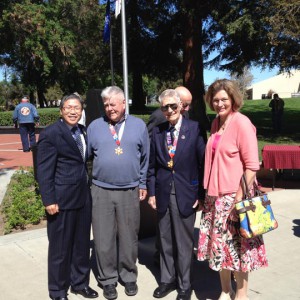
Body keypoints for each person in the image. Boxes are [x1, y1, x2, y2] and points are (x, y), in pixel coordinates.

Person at [197, 79, 268, 300]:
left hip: (233, 197)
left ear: (233, 99)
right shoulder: (217, 123)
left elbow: (252, 167)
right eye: (215, 100)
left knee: (238, 248)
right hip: (214, 197)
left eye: (224, 99)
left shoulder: (242, 123)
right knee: (219, 248)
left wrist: (238, 200)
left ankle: (241, 294)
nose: (219, 104)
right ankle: (225, 289)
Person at [87, 86, 150, 300]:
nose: (109, 108)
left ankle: (129, 276)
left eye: (113, 103)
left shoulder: (139, 126)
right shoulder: (95, 126)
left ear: (124, 103)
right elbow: (86, 157)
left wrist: (142, 183)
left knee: (129, 236)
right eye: (106, 104)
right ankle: (108, 280)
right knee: (103, 239)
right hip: (101, 190)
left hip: (129, 190)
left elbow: (145, 159)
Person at [36, 94, 98, 300]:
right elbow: (44, 171)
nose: (73, 111)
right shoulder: (50, 134)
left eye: (77, 108)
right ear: (61, 110)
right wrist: (49, 200)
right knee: (60, 249)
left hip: (82, 198)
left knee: (81, 245)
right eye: (69, 107)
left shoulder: (82, 131)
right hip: (61, 201)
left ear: (82, 111)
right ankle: (58, 290)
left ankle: (80, 283)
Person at [147, 89, 206, 300]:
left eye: (173, 106)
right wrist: (152, 192)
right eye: (165, 107)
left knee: (183, 242)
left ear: (181, 106)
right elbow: (152, 166)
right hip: (163, 193)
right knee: (165, 240)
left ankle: (184, 284)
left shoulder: (194, 128)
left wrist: (201, 194)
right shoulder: (158, 131)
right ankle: (167, 280)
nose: (169, 110)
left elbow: (202, 164)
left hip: (186, 194)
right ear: (161, 109)